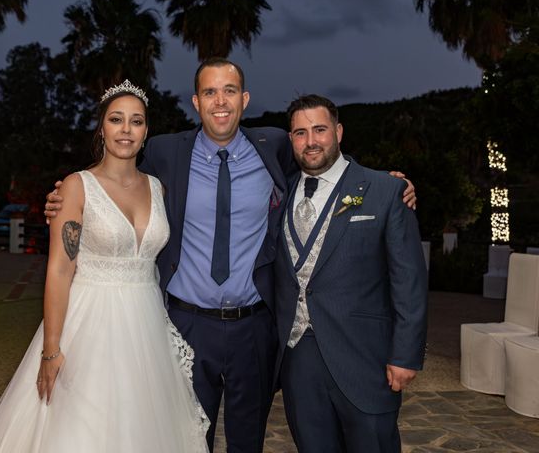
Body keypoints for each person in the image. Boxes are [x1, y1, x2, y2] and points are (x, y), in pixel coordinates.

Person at [45, 58, 417, 452]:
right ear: (196, 101)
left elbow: (322, 159)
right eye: (210, 92)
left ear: (245, 99)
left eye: (229, 91)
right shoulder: (166, 151)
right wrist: (67, 194)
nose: (220, 101)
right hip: (185, 324)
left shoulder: (273, 146)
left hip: (252, 329)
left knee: (247, 441)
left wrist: (385, 183)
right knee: (185, 437)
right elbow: (115, 173)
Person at [0, 81, 209, 453]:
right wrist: (51, 348)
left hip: (147, 327)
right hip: (90, 324)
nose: (126, 130)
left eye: (136, 121)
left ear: (146, 132)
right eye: (116, 120)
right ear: (102, 128)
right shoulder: (75, 187)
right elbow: (59, 271)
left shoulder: (158, 188)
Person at [274, 94, 428, 453]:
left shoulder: (386, 190)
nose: (311, 141)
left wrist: (405, 354)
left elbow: (409, 280)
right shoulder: (278, 192)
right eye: (300, 132)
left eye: (320, 129)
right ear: (291, 139)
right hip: (299, 358)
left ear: (339, 132)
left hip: (365, 358)